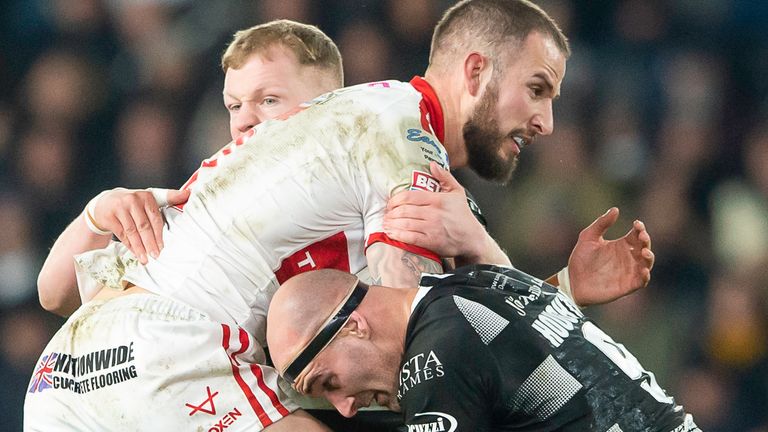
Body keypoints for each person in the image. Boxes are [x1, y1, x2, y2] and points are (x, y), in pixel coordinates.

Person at [27, 2, 651, 430]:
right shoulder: (400, 134)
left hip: (65, 379)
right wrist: (489, 250)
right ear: (477, 70)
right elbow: (428, 343)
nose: (546, 121)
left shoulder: (345, 145)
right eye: (537, 89)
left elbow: (409, 330)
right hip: (168, 350)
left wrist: (558, 292)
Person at [266, 266, 700, 431]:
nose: (344, 407)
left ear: (355, 326)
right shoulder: (480, 281)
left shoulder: (432, 362)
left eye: (330, 382)